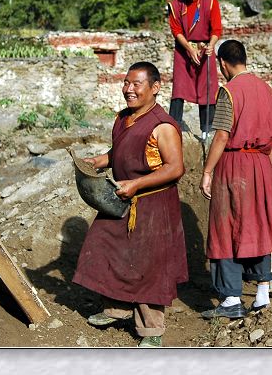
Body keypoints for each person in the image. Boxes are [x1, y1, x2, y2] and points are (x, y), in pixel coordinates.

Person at [72, 61, 187, 348]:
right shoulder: (124, 118)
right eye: (126, 83)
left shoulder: (163, 126)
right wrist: (99, 161)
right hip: (119, 198)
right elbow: (120, 151)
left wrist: (136, 184)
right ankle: (116, 308)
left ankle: (151, 329)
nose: (128, 89)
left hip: (152, 203)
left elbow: (175, 168)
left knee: (149, 264)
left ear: (155, 87)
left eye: (136, 84)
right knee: (104, 245)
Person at [200, 40, 272, 319]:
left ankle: (230, 300)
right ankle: (262, 295)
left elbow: (222, 134)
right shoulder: (267, 90)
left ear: (223, 63)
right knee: (258, 225)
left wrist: (207, 171)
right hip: (261, 164)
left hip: (235, 163)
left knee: (225, 227)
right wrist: (265, 165)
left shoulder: (228, 91)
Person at [167, 0, 223, 135]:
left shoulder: (210, 2)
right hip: (183, 51)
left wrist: (211, 45)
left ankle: (207, 127)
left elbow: (216, 28)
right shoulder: (176, 4)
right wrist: (189, 49)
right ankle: (174, 124)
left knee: (208, 87)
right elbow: (176, 30)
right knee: (179, 88)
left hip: (205, 49)